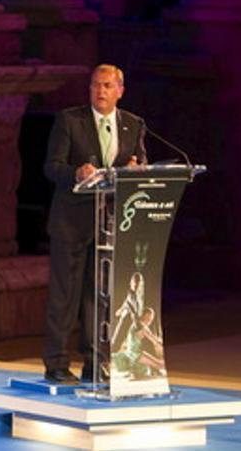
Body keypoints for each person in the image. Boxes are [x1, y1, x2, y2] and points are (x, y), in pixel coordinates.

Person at [42, 64, 147, 384]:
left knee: (98, 295)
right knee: (65, 295)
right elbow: (51, 167)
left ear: (120, 90)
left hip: (109, 223)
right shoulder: (70, 121)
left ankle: (95, 361)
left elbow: (140, 162)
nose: (99, 91)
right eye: (94, 85)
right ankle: (57, 363)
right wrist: (76, 173)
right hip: (71, 222)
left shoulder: (133, 124)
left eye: (106, 86)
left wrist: (136, 168)